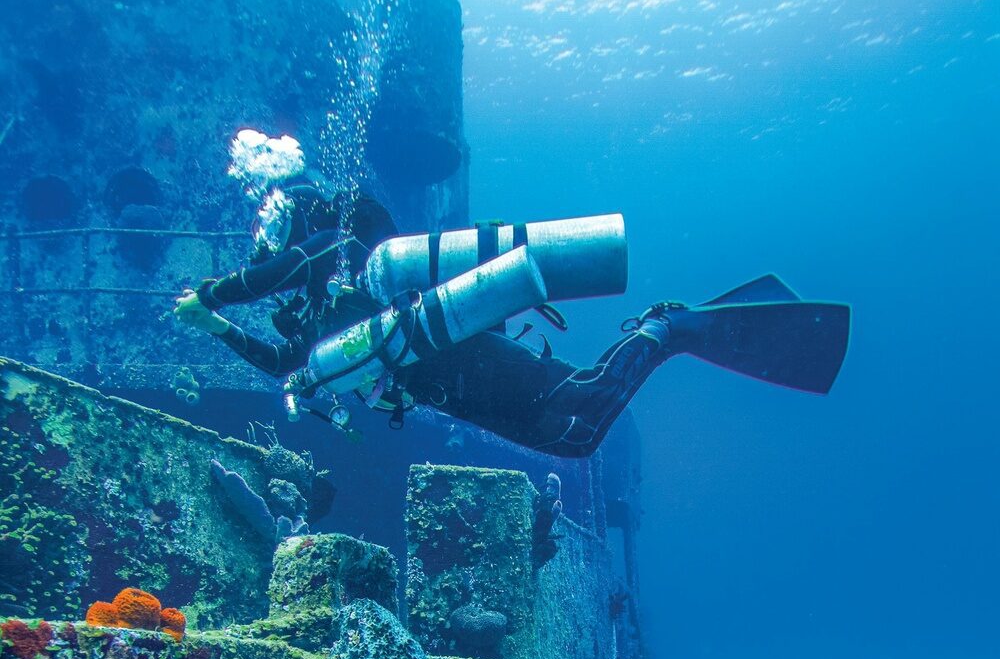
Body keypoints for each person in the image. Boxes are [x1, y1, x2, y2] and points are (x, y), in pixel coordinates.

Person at [176, 179, 851, 459]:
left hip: (467, 359)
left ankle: (666, 328)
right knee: (575, 443)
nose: (270, 248)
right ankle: (665, 334)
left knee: (580, 404)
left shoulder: (342, 259)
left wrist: (213, 292)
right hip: (447, 392)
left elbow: (289, 265)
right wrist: (219, 329)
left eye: (274, 229)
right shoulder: (316, 324)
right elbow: (284, 365)